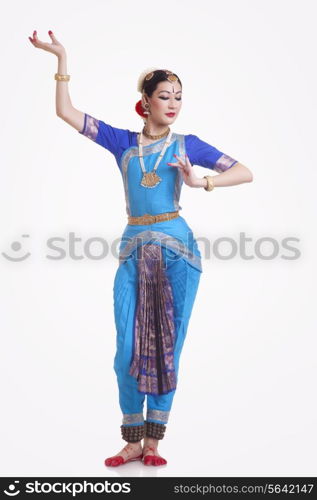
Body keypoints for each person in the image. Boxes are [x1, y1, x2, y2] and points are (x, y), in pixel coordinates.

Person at [29, 30, 253, 467]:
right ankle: (132, 437)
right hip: (134, 251)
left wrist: (200, 181)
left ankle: (154, 442)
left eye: (179, 97)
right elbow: (65, 111)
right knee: (128, 346)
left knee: (169, 343)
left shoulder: (189, 145)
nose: (173, 103)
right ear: (145, 101)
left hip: (178, 252)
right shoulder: (123, 144)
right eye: (165, 96)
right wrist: (61, 58)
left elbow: (244, 172)